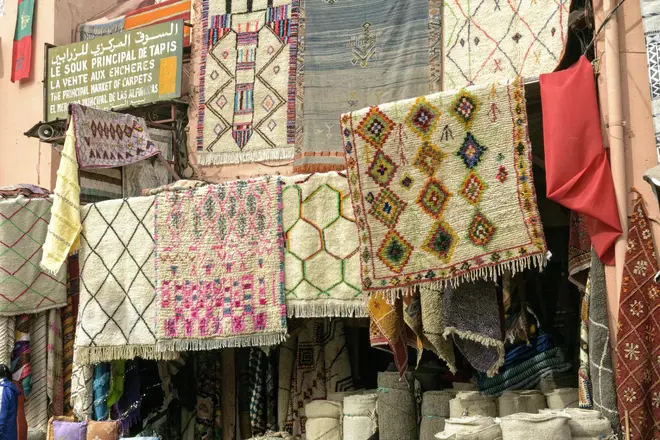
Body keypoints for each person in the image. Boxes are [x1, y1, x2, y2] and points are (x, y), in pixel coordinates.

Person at [0, 364, 23, 440]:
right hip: (11, 433)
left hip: (3, 435)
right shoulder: (11, 388)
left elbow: (1, 415)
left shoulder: (3, 389)